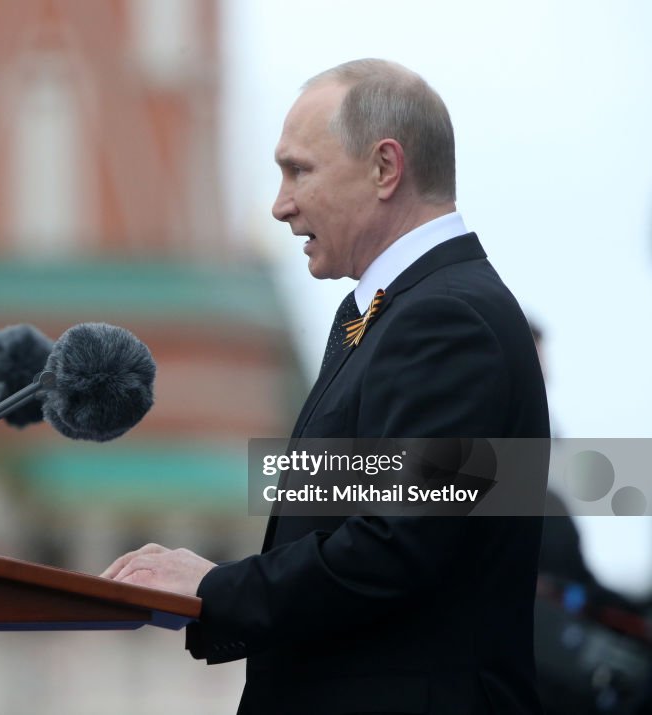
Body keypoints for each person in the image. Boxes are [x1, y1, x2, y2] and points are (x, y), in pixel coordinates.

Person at [102, 58, 550, 714]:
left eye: (299, 169)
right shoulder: (384, 313)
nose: (281, 204)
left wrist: (213, 586)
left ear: (385, 168)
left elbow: (393, 545)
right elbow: (351, 525)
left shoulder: (445, 319)